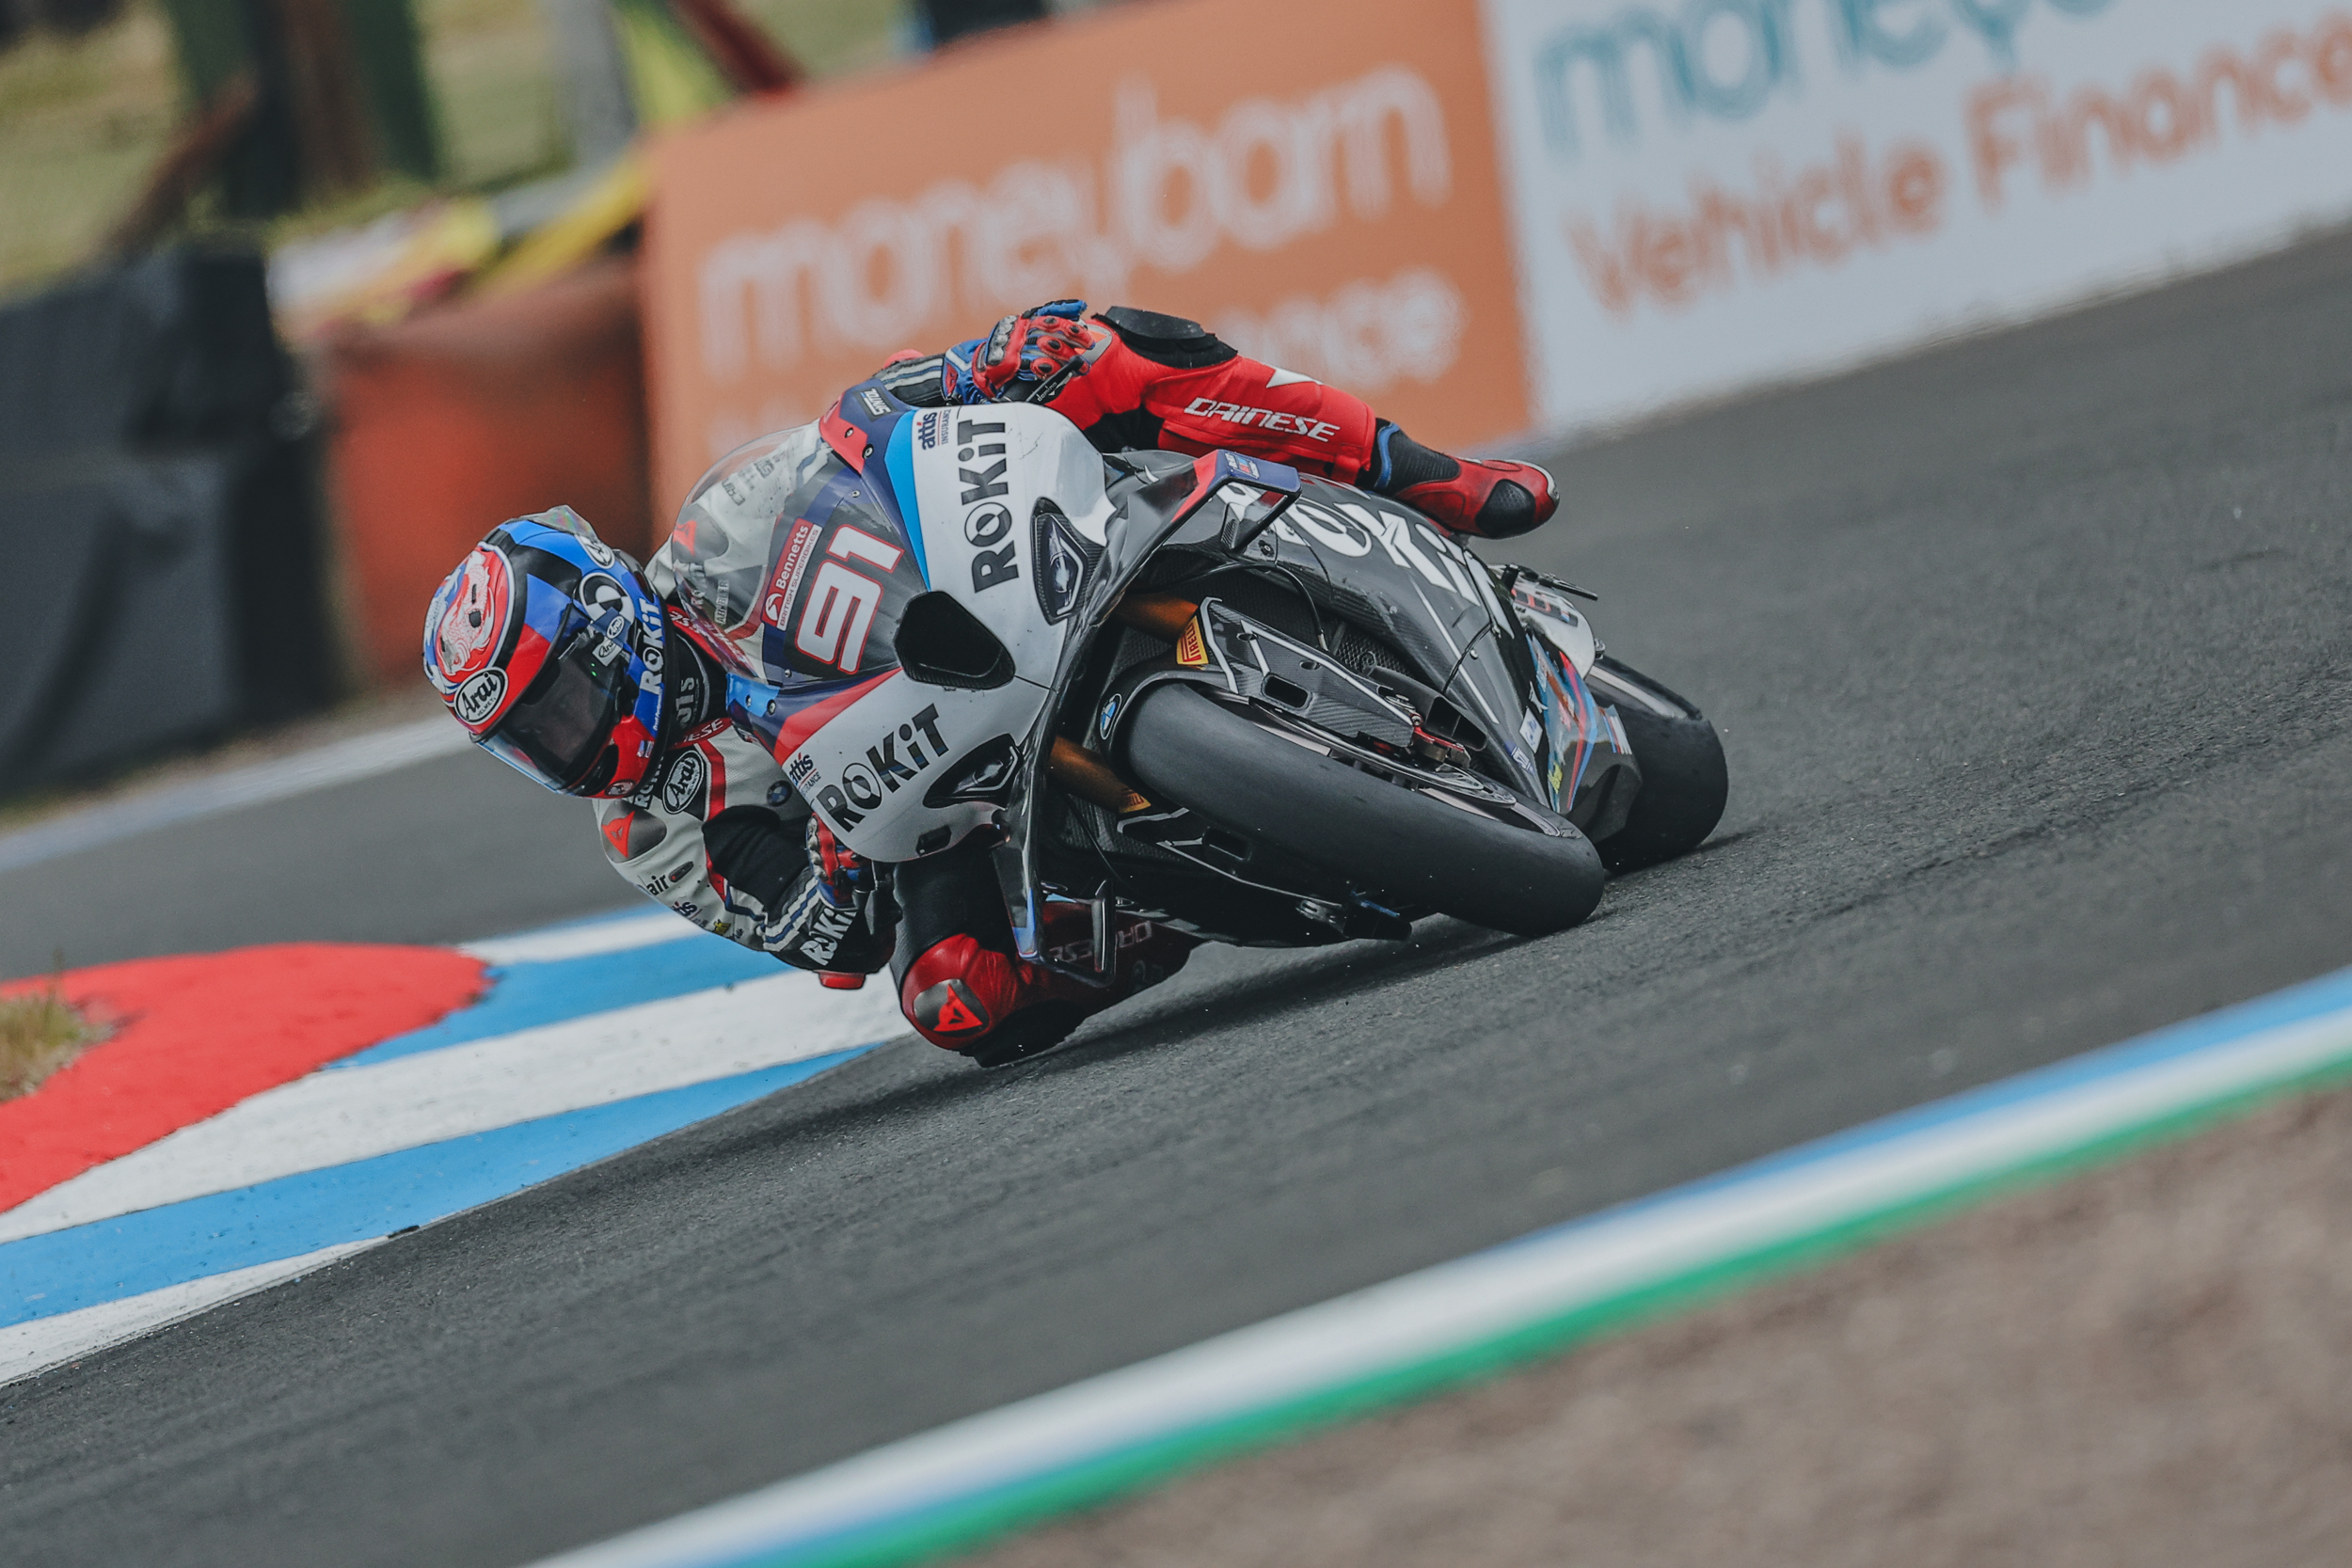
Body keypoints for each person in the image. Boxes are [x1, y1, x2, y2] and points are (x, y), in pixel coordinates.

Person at [422, 302, 1561, 1066]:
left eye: (561, 702)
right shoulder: (649, 827)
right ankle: (1173, 904)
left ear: (610, 621)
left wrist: (968, 377)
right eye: (534, 740)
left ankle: (1432, 476)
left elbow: (853, 441)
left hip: (992, 607)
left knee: (1099, 345)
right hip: (936, 822)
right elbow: (826, 932)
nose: (567, 744)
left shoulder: (718, 535)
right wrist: (835, 857)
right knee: (955, 1001)